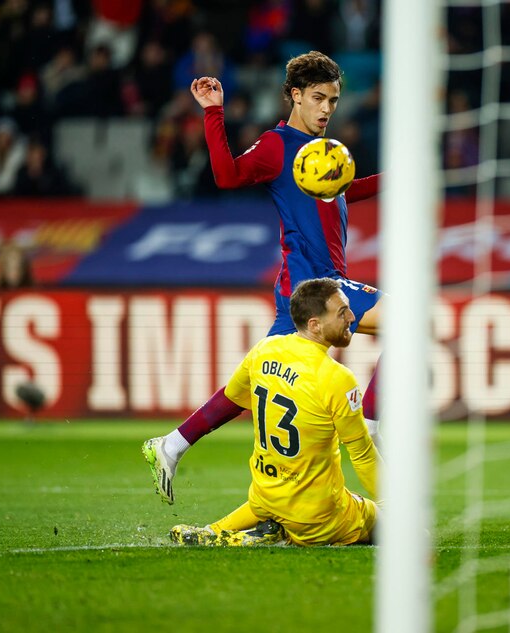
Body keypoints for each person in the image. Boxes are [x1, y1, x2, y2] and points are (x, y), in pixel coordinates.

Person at [142, 50, 384, 505]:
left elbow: (346, 188)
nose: (327, 109)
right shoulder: (278, 146)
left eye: (333, 100)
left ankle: (172, 444)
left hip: (305, 288)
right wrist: (214, 113)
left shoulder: (323, 154)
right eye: (318, 98)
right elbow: (227, 176)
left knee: (257, 380)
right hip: (314, 284)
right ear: (294, 96)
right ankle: (370, 421)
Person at [162, 278, 381, 547]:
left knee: (273, 501)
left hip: (267, 496)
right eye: (342, 312)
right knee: (383, 519)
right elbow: (363, 455)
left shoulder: (263, 350)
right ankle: (258, 537)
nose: (352, 317)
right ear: (315, 325)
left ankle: (217, 530)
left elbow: (232, 398)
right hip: (318, 517)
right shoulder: (338, 378)